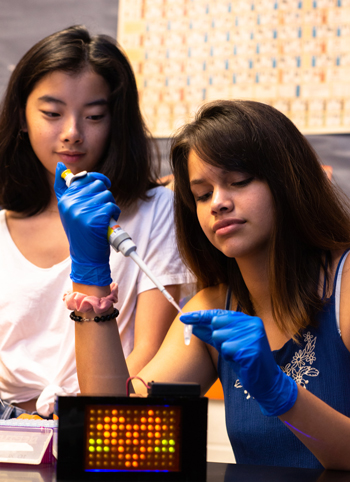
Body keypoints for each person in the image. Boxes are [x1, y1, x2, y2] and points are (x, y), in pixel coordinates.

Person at [55, 100, 350, 470]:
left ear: (290, 179)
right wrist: (90, 271)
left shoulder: (345, 285)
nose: (219, 203)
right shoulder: (210, 309)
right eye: (202, 194)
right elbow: (113, 437)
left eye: (238, 182)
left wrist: (281, 394)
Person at [0, 25, 193, 418]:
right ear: (22, 117)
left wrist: (70, 420)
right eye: (52, 113)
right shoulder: (3, 224)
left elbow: (149, 358)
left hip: (106, 428)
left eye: (93, 116)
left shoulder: (155, 210)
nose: (72, 133)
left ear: (115, 121)